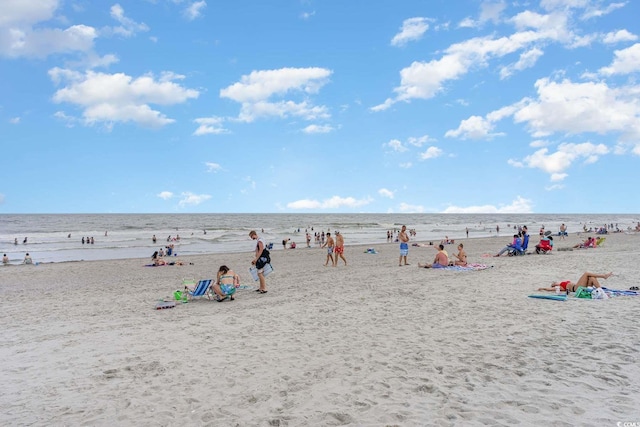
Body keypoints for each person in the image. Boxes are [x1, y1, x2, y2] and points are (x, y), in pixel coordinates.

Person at [538, 272, 613, 292]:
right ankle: (603, 276)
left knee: (592, 278)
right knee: (586, 273)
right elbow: (551, 289)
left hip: (580, 286)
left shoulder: (563, 282)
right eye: (554, 284)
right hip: (577, 288)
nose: (555, 283)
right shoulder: (560, 287)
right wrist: (543, 288)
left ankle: (600, 291)